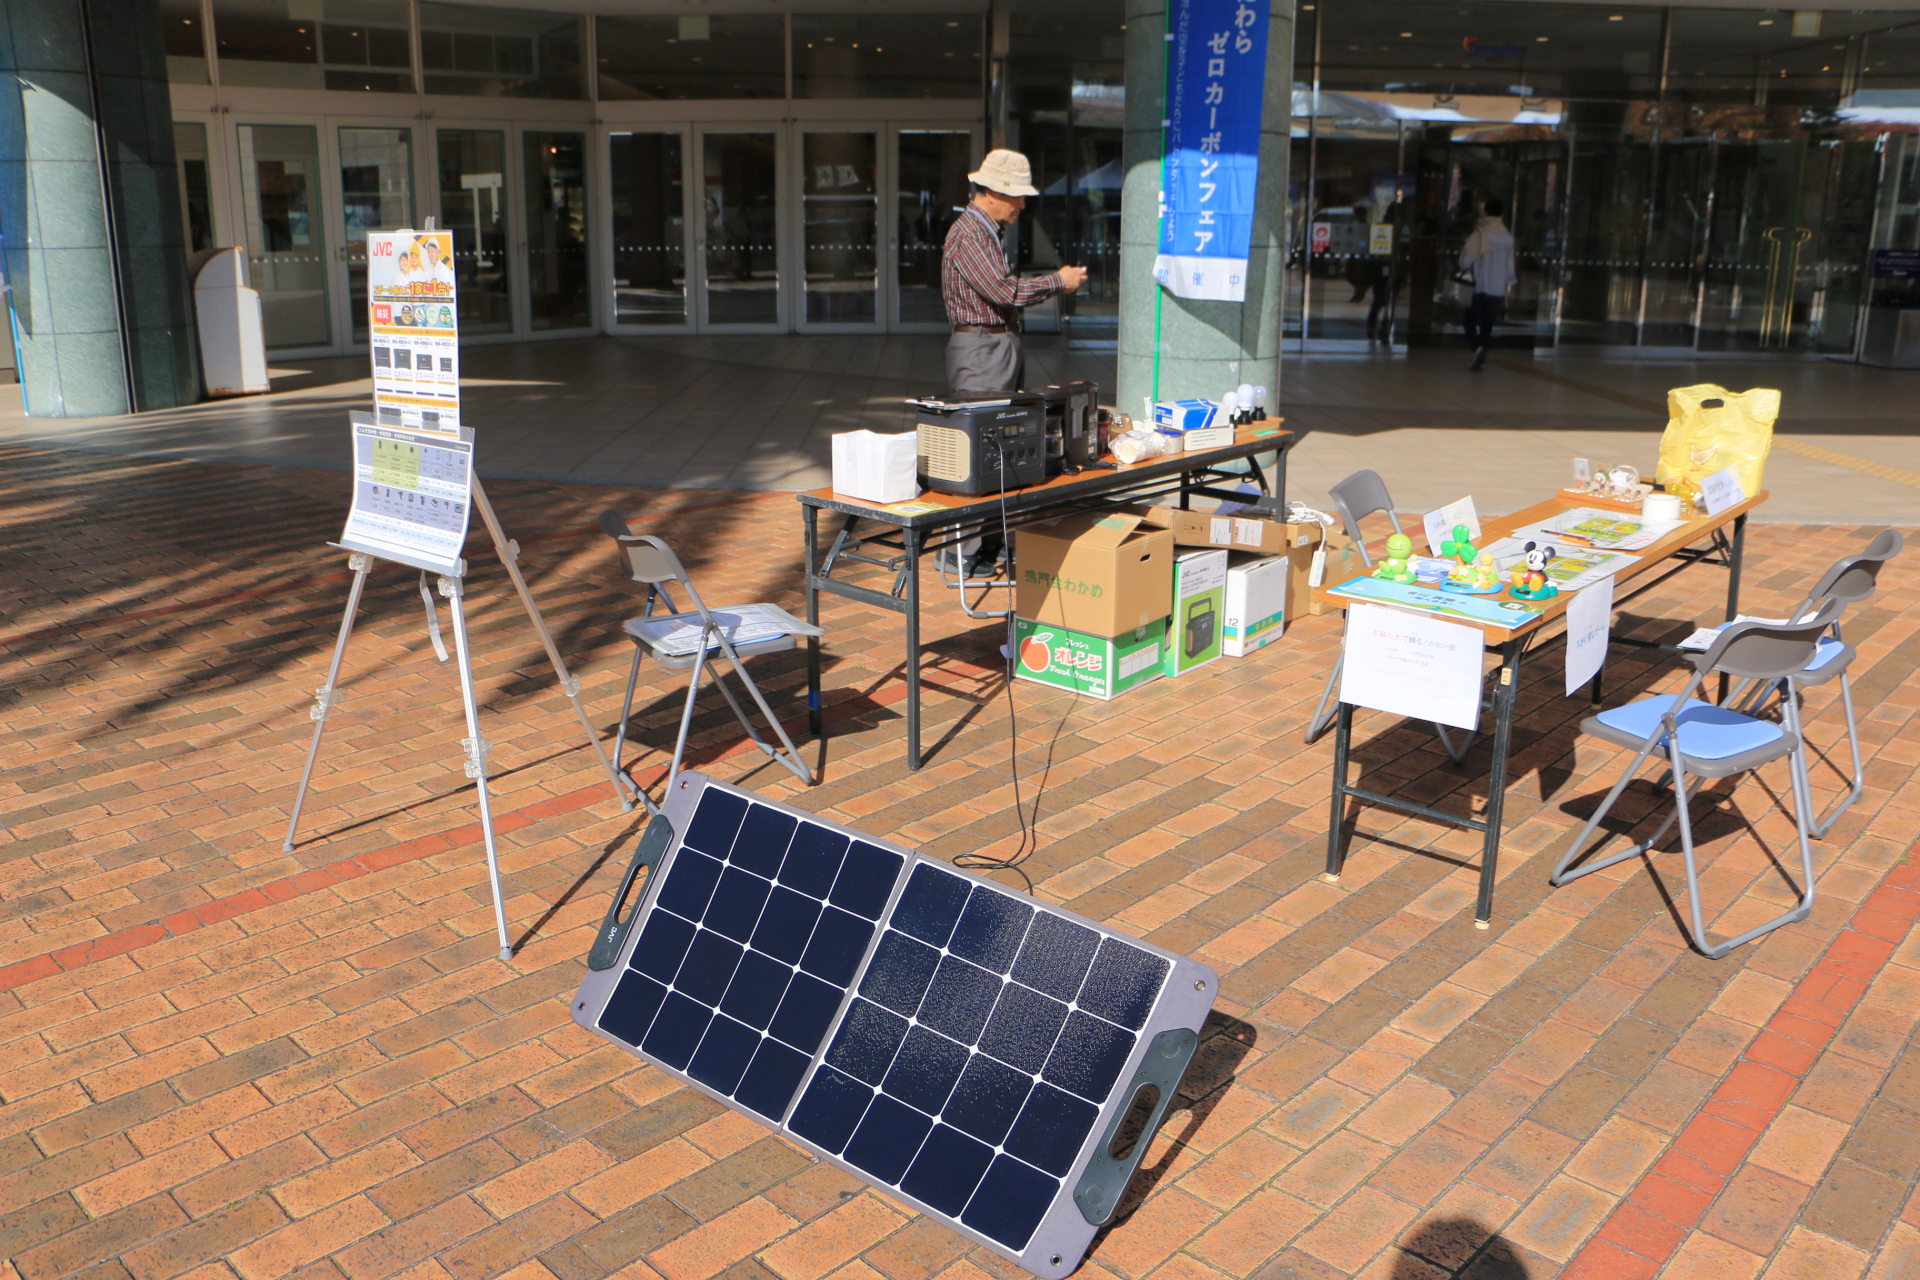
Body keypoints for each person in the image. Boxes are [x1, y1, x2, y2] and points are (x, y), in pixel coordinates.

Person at [941, 149, 1087, 396]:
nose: (1022, 204)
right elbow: (1005, 291)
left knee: (1002, 423)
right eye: (1016, 196)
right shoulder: (971, 233)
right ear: (991, 193)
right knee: (987, 424)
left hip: (992, 347)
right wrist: (1059, 281)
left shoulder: (985, 231)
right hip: (984, 351)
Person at [1459, 198, 1516, 371]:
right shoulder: (1507, 238)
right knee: (1487, 325)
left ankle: (1477, 349)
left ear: (1485, 212)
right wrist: (1506, 289)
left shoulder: (1479, 233)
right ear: (1502, 214)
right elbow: (1510, 267)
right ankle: (1481, 355)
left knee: (1469, 321)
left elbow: (1464, 262)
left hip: (1479, 287)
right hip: (1497, 290)